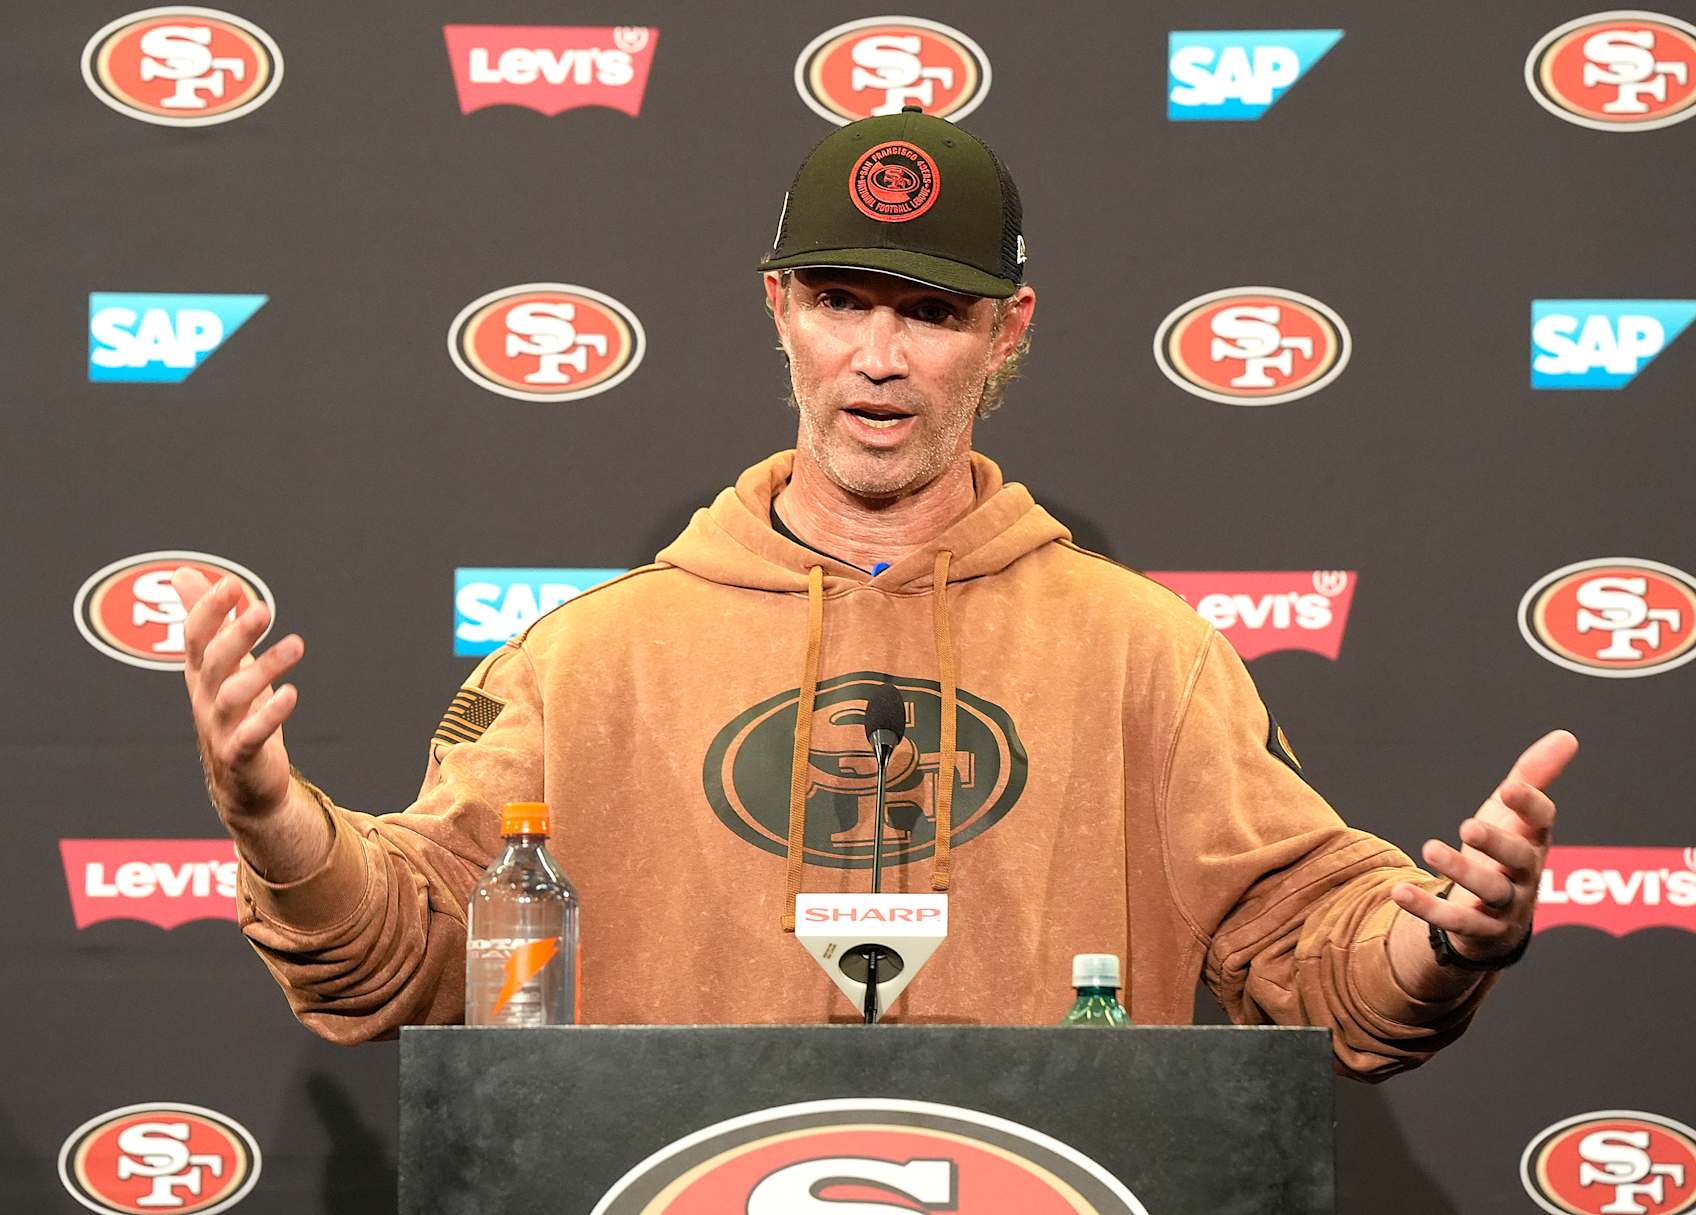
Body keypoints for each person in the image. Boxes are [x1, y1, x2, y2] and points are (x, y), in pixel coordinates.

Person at [173, 109, 1576, 1080]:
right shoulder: (589, 660)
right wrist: (276, 824)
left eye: (931, 312)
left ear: (1005, 332)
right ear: (778, 307)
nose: (881, 358)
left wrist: (1445, 942)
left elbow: (1322, 956)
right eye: (843, 302)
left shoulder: (1150, 657)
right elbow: (410, 955)